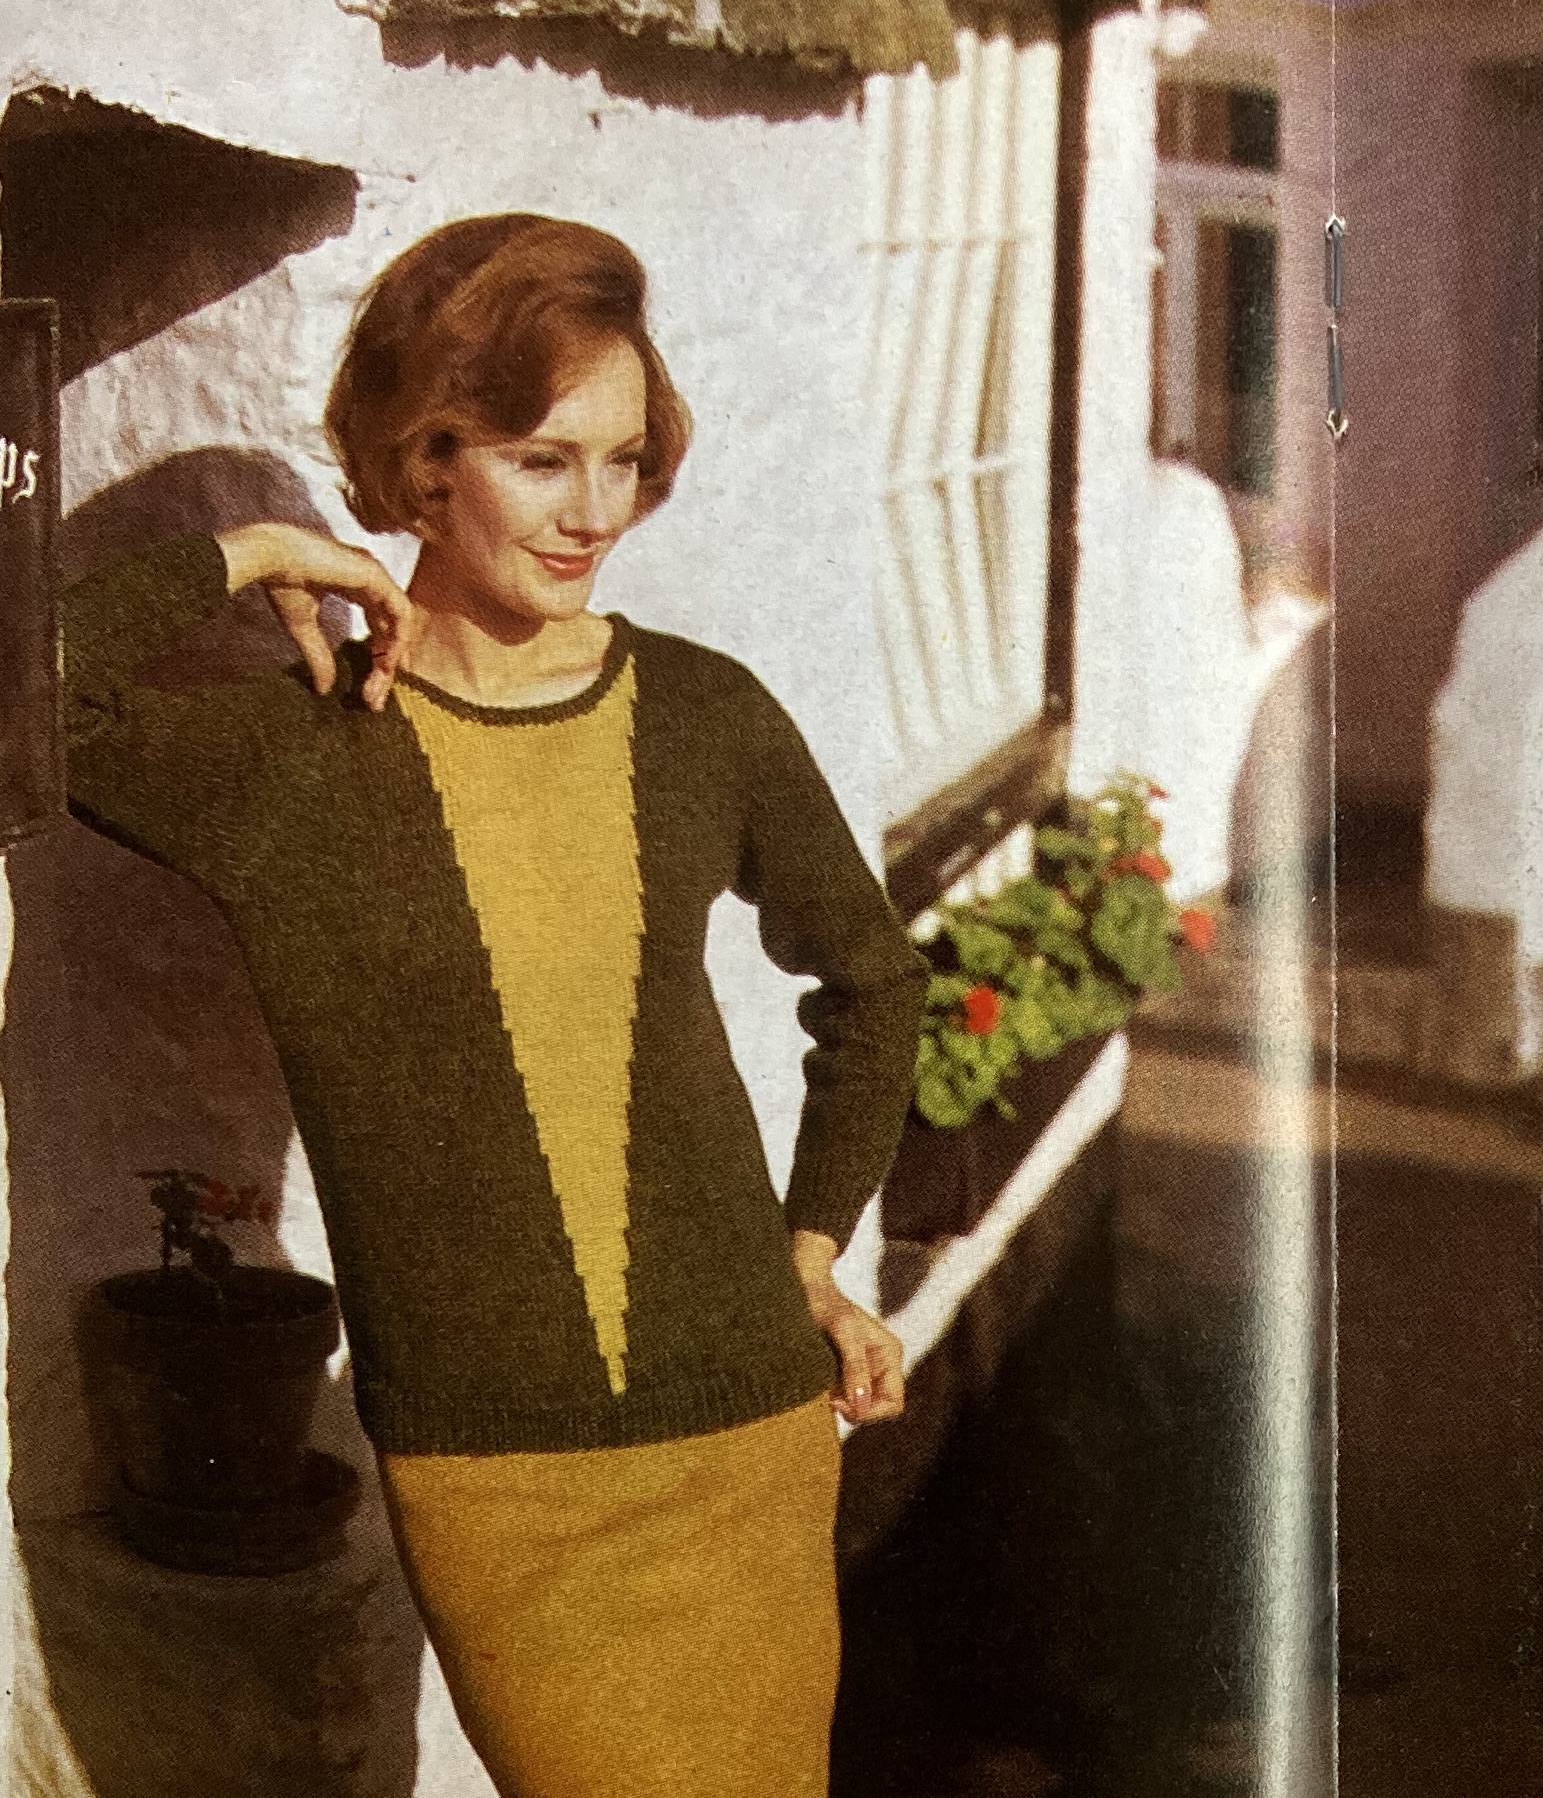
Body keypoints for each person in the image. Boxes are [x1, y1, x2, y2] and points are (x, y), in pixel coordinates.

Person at [63, 213, 930, 1798]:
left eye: (624, 461)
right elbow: (22, 692)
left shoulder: (704, 714)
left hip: (746, 1426)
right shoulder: (293, 761)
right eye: (543, 461)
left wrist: (807, 1255)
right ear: (424, 462)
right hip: (496, 1473)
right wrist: (253, 552)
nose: (595, 511)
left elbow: (874, 983)